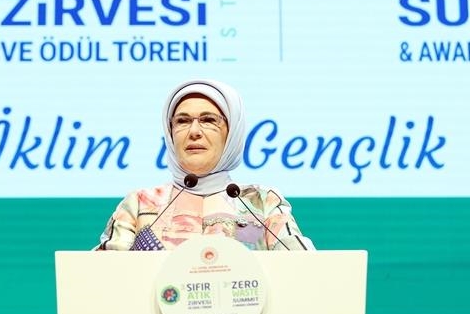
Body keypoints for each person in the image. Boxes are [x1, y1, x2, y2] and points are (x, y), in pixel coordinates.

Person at [95, 79, 314, 251]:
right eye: (182, 121)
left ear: (232, 133)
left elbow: (304, 269)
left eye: (208, 120)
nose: (194, 131)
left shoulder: (262, 201)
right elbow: (105, 276)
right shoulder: (140, 204)